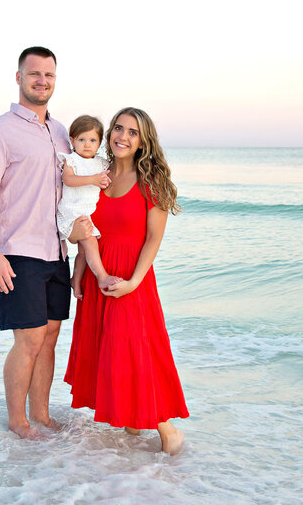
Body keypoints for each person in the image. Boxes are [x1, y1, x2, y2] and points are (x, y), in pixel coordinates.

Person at [0, 46, 89, 439]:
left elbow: (75, 191)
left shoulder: (61, 133)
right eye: (34, 73)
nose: (42, 81)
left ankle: (41, 413)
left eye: (49, 75)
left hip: (56, 251)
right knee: (30, 338)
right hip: (17, 251)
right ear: (18, 77)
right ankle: (17, 420)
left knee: (52, 334)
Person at [64, 107, 189, 455]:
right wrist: (79, 272)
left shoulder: (152, 182)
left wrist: (134, 282)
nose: (123, 136)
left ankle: (167, 429)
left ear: (142, 141)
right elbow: (82, 226)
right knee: (107, 350)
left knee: (135, 351)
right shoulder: (96, 175)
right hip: (99, 273)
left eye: (132, 132)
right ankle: (133, 422)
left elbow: (153, 239)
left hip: (131, 278)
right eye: (118, 128)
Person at [56, 115, 121, 299]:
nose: (87, 144)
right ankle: (102, 276)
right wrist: (93, 179)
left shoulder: (100, 163)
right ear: (72, 141)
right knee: (91, 242)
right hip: (72, 211)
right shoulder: (72, 160)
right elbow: (68, 179)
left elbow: (114, 175)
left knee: (84, 252)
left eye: (93, 140)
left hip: (87, 212)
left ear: (100, 142)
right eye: (82, 139)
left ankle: (75, 281)